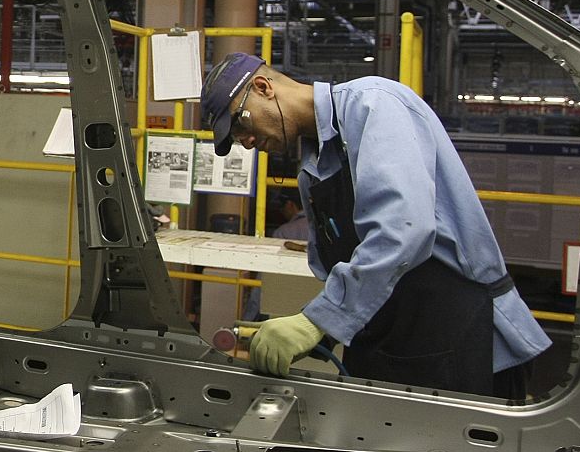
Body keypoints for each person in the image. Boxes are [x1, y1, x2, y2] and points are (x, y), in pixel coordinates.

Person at [200, 51, 549, 396]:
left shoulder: (373, 105)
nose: (245, 142)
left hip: (461, 338)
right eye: (234, 139)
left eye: (241, 123)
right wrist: (323, 329)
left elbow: (403, 229)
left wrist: (317, 320)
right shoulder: (312, 167)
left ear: (263, 88)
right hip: (394, 339)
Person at [241, 188, 309, 321]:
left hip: (284, 309)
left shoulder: (284, 233)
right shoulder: (324, 228)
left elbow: (263, 283)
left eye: (282, 207)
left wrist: (246, 320)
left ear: (290, 205)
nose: (281, 211)